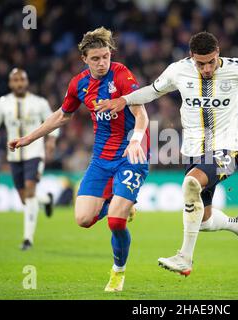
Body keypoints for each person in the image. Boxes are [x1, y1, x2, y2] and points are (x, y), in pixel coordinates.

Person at [95, 31, 238, 276]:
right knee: (203, 220)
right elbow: (152, 91)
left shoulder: (237, 69)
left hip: (226, 147)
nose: (206, 68)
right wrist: (124, 99)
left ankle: (185, 258)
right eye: (200, 63)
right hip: (194, 151)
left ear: (218, 54)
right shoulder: (178, 71)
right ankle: (237, 225)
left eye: (211, 62)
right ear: (191, 57)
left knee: (191, 183)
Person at [8, 27, 149, 292]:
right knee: (83, 219)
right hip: (101, 158)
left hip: (131, 154)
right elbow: (61, 115)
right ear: (84, 59)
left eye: (105, 56)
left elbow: (142, 114)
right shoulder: (78, 84)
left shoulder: (121, 75)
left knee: (115, 222)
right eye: (95, 58)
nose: (102, 62)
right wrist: (28, 138)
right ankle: (122, 204)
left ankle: (118, 272)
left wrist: (135, 140)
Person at [0, 68, 58, 251]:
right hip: (14, 155)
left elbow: (54, 121)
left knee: (30, 190)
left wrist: (51, 140)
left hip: (35, 153)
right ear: (10, 83)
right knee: (25, 198)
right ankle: (46, 200)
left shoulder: (39, 103)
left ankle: (27, 239)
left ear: (27, 82)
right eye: (15, 80)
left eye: (21, 80)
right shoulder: (3, 103)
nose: (19, 83)